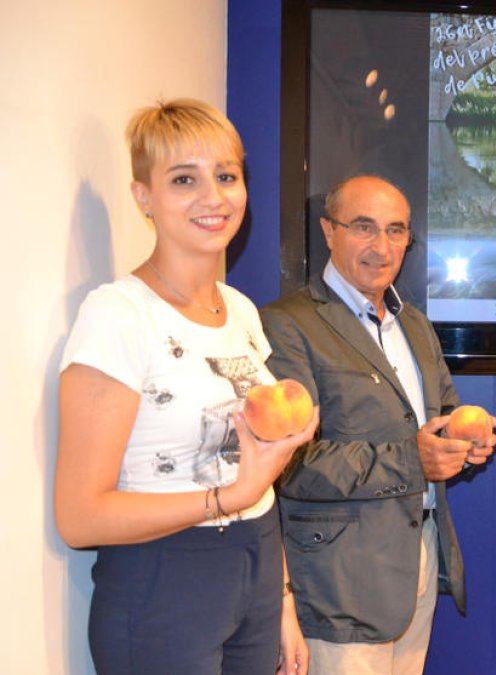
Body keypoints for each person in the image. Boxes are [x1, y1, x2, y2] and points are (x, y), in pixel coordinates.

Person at [55, 99, 319, 674]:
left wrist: (281, 601)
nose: (213, 197)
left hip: (254, 570)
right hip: (162, 584)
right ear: (143, 197)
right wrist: (229, 498)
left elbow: (260, 480)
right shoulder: (119, 313)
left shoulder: (242, 311)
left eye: (226, 176)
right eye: (184, 179)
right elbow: (79, 517)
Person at [260, 174, 495, 674]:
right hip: (339, 581)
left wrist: (464, 440)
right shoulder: (287, 324)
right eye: (363, 227)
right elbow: (290, 462)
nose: (381, 246)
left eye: (396, 231)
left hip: (419, 561)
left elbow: (443, 414)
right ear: (328, 231)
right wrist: (415, 459)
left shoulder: (413, 324)